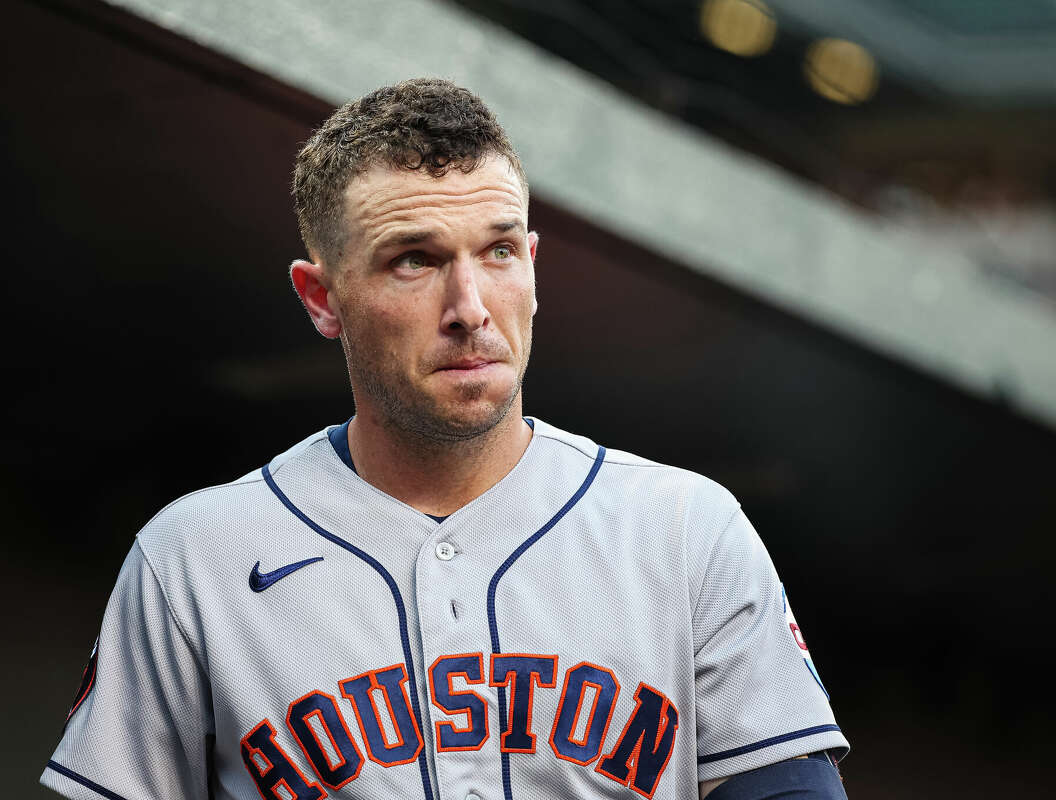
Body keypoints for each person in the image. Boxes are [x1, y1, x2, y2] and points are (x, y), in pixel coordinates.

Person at [41, 78, 848, 800]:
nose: (470, 305)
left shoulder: (687, 532)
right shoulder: (193, 558)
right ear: (321, 298)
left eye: (498, 251)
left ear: (532, 265)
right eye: (414, 261)